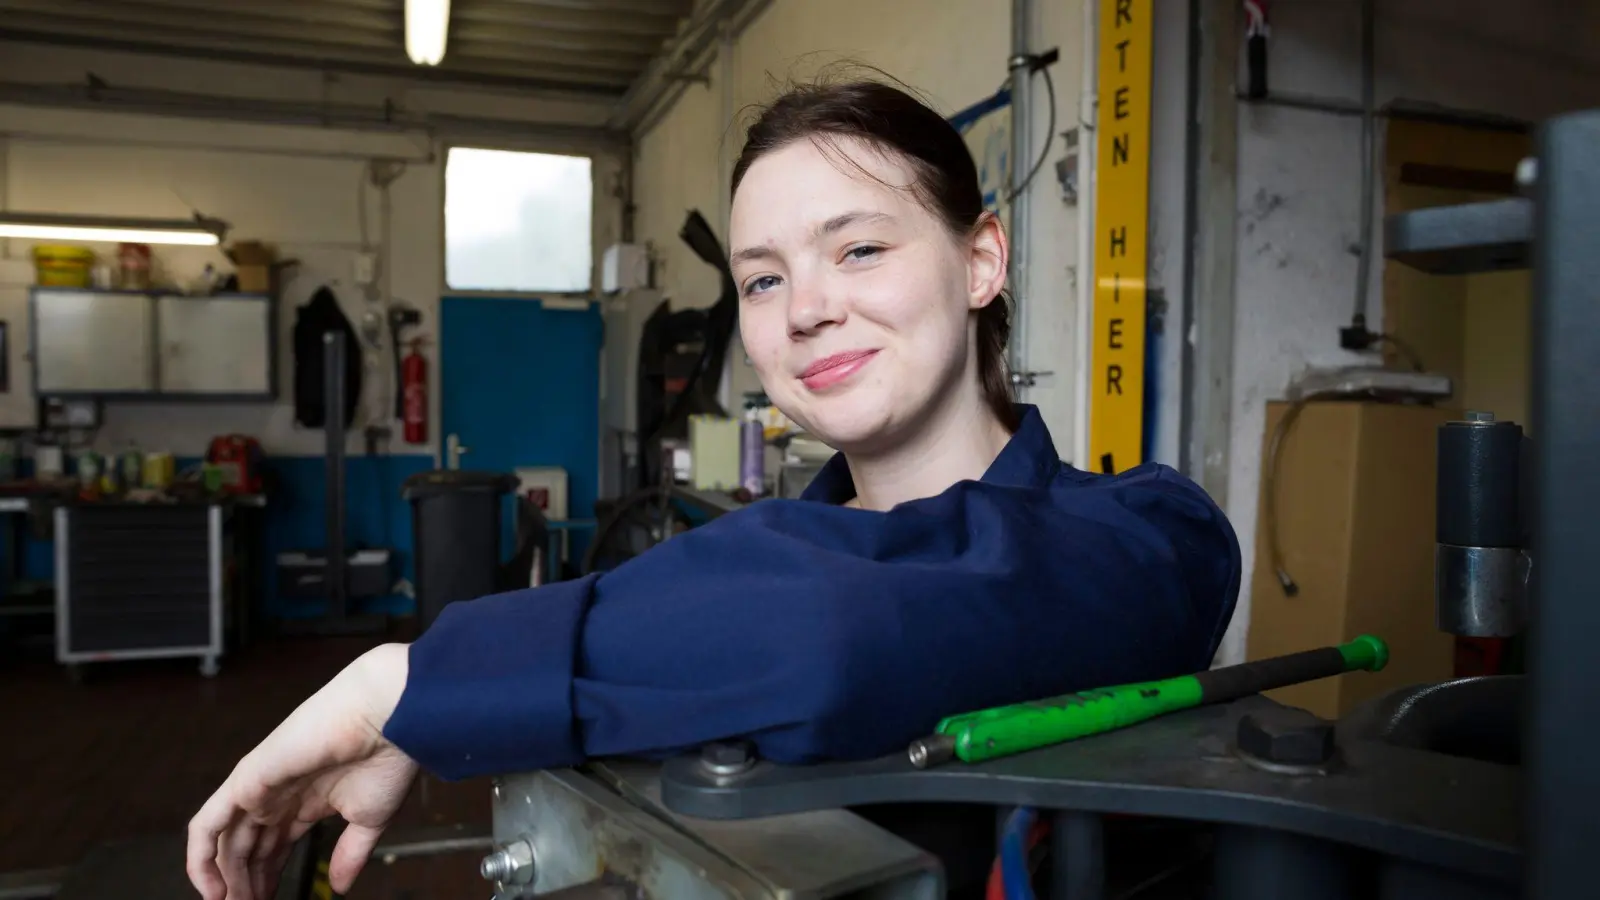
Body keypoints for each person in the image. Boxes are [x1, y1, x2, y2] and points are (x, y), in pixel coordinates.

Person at [186, 76, 1241, 900]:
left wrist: (403, 689)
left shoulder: (1153, 531)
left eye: (860, 248)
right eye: (764, 278)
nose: (806, 308)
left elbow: (845, 622)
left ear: (980, 263)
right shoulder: (742, 569)